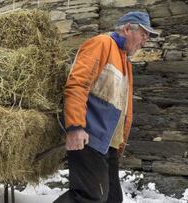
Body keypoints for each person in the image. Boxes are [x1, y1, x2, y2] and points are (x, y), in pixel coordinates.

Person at [54, 11, 158, 203]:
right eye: (144, 34)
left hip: (107, 142)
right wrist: (76, 127)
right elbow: (78, 84)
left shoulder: (124, 60)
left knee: (112, 198)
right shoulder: (102, 43)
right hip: (89, 135)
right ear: (127, 29)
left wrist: (119, 144)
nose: (145, 41)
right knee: (89, 196)